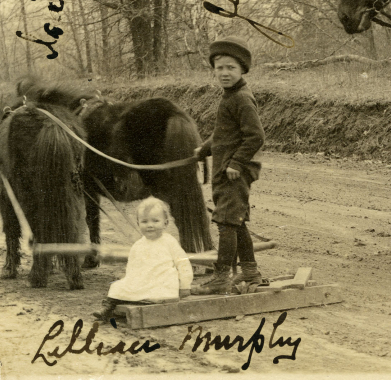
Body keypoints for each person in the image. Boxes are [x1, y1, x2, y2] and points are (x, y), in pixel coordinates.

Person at [191, 36, 267, 295]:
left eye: (230, 68)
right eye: (219, 67)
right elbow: (225, 133)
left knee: (226, 222)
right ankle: (250, 273)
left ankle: (221, 278)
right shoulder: (230, 96)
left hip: (234, 172)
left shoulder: (242, 99)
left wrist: (236, 162)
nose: (224, 73)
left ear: (242, 70)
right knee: (235, 221)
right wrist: (204, 149)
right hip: (225, 169)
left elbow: (256, 136)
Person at [93, 197, 193, 321]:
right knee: (116, 286)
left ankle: (141, 301)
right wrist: (129, 280)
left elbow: (183, 263)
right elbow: (132, 267)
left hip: (162, 282)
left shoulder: (169, 242)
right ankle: (107, 308)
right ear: (138, 223)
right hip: (144, 281)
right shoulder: (138, 245)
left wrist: (185, 285)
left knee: (158, 292)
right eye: (145, 222)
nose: (150, 225)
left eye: (155, 221)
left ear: (165, 223)